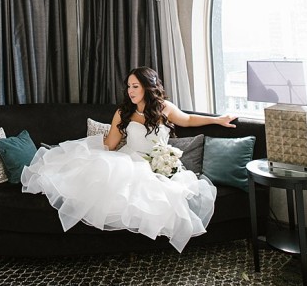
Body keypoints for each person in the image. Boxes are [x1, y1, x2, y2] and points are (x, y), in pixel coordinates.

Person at [21, 67, 237, 252]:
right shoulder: (123, 112)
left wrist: (218, 120)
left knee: (170, 197)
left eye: (135, 86)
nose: (130, 91)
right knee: (122, 189)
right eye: (128, 86)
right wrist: (87, 158)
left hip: (160, 166)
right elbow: (111, 144)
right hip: (130, 162)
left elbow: (188, 120)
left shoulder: (164, 108)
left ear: (147, 87)